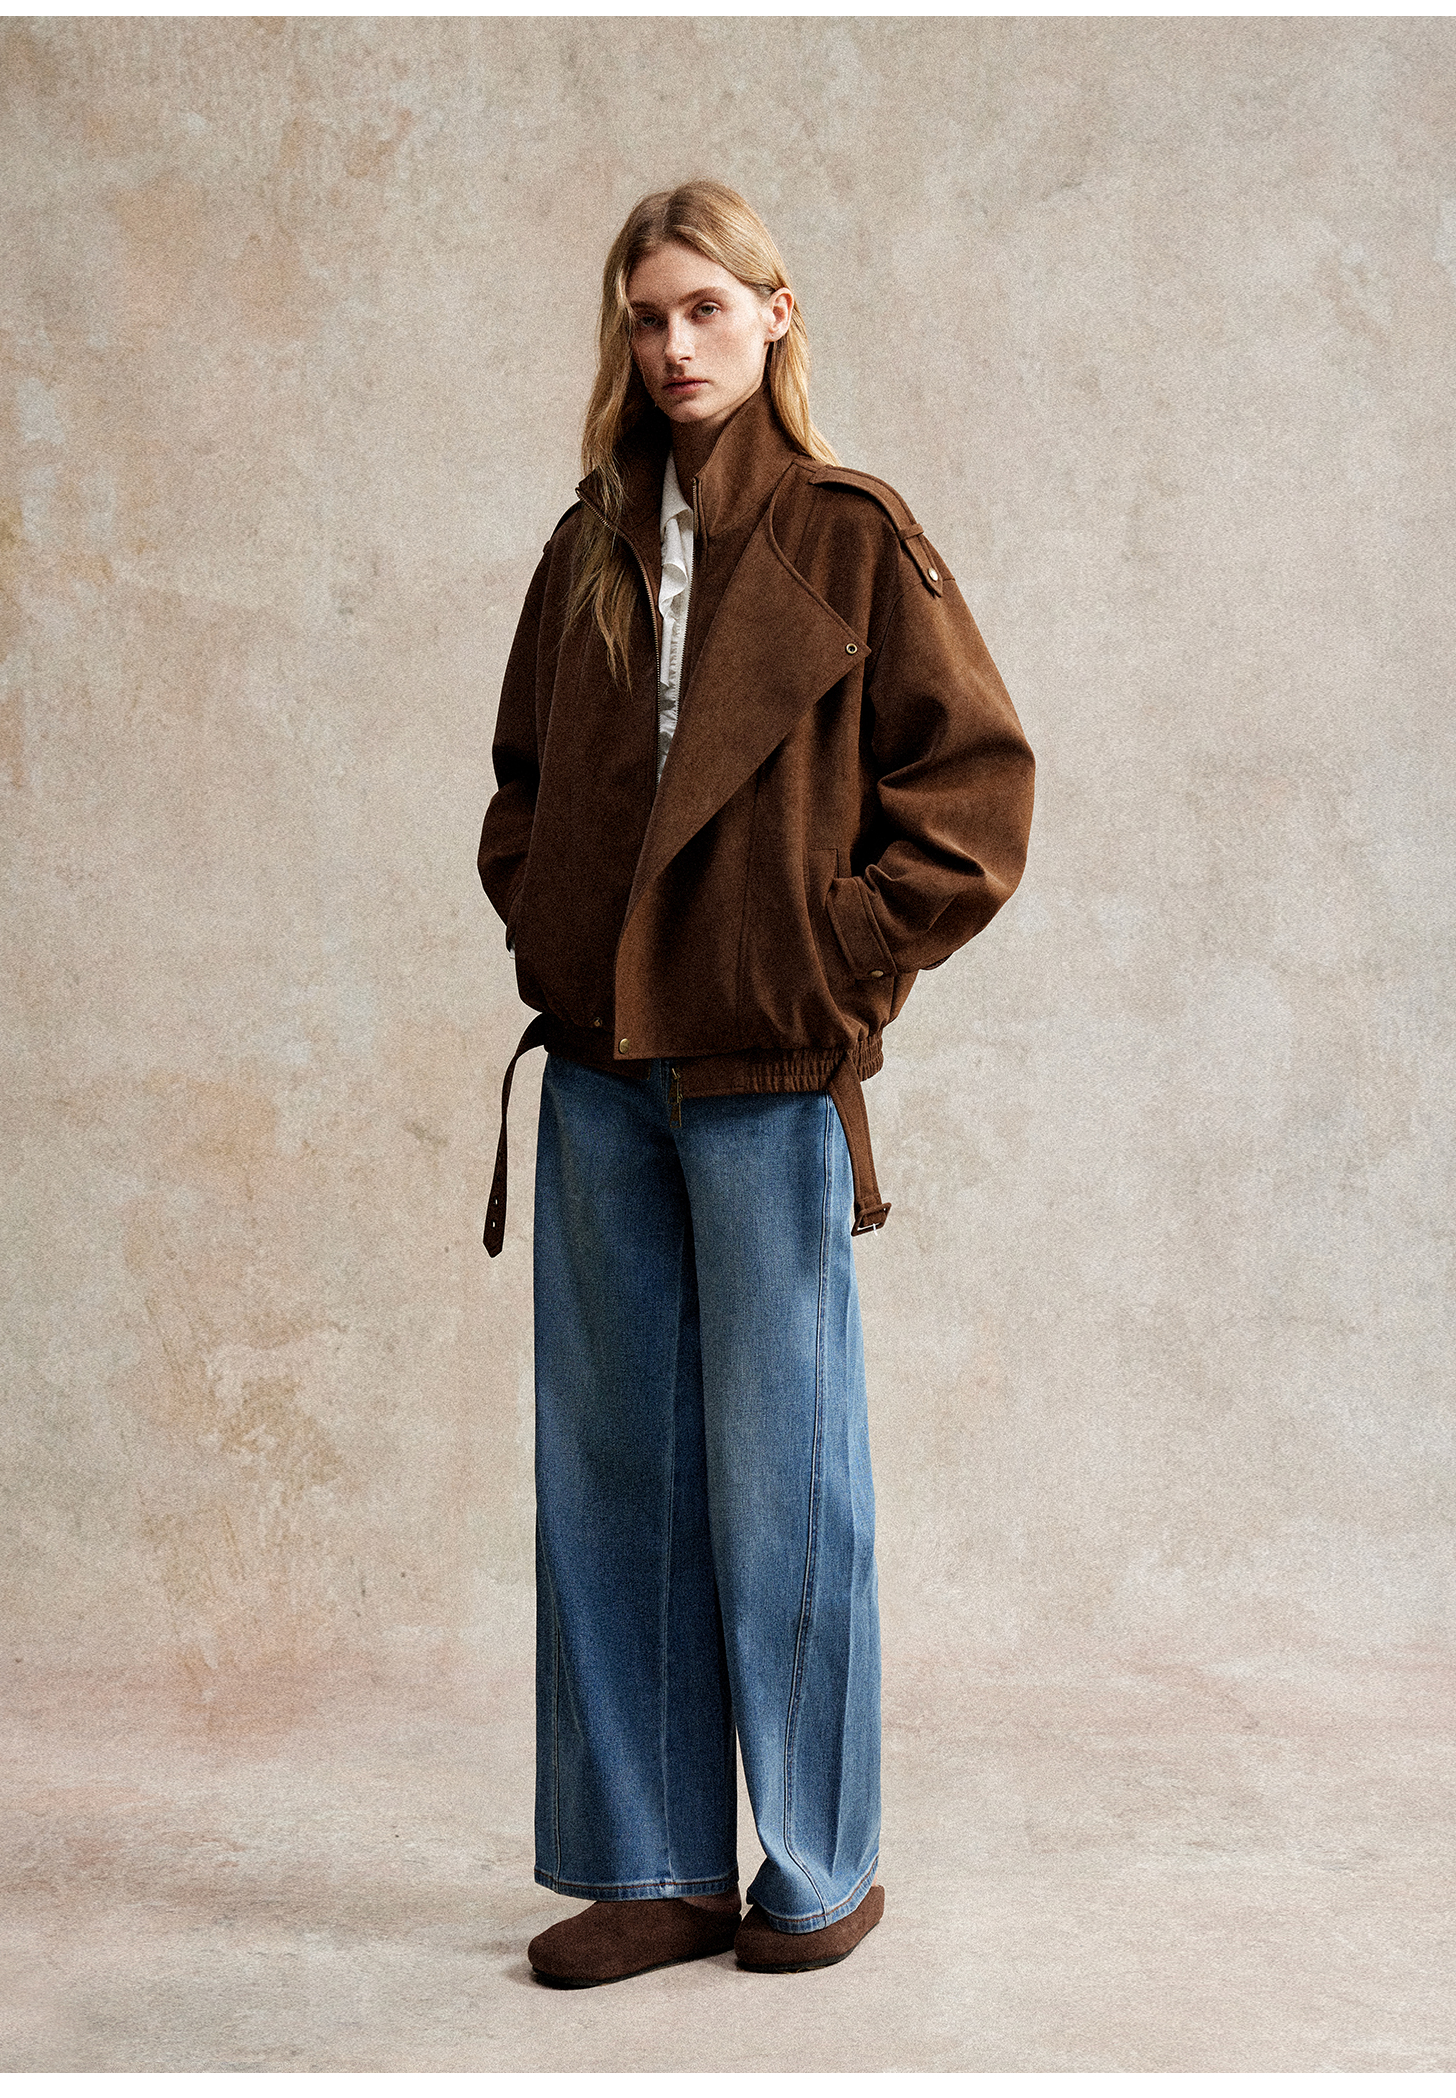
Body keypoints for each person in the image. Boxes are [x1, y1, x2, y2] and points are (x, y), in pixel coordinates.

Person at [478, 180, 1034, 1989]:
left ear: (775, 314)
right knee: (611, 1477)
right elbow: (521, 788)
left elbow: (976, 794)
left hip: (769, 1069)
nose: (673, 346)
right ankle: (653, 1865)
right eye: (646, 317)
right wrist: (553, 936)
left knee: (786, 1483)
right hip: (604, 1069)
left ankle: (816, 1861)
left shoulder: (851, 535)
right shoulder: (588, 539)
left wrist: (829, 962)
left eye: (705, 308)